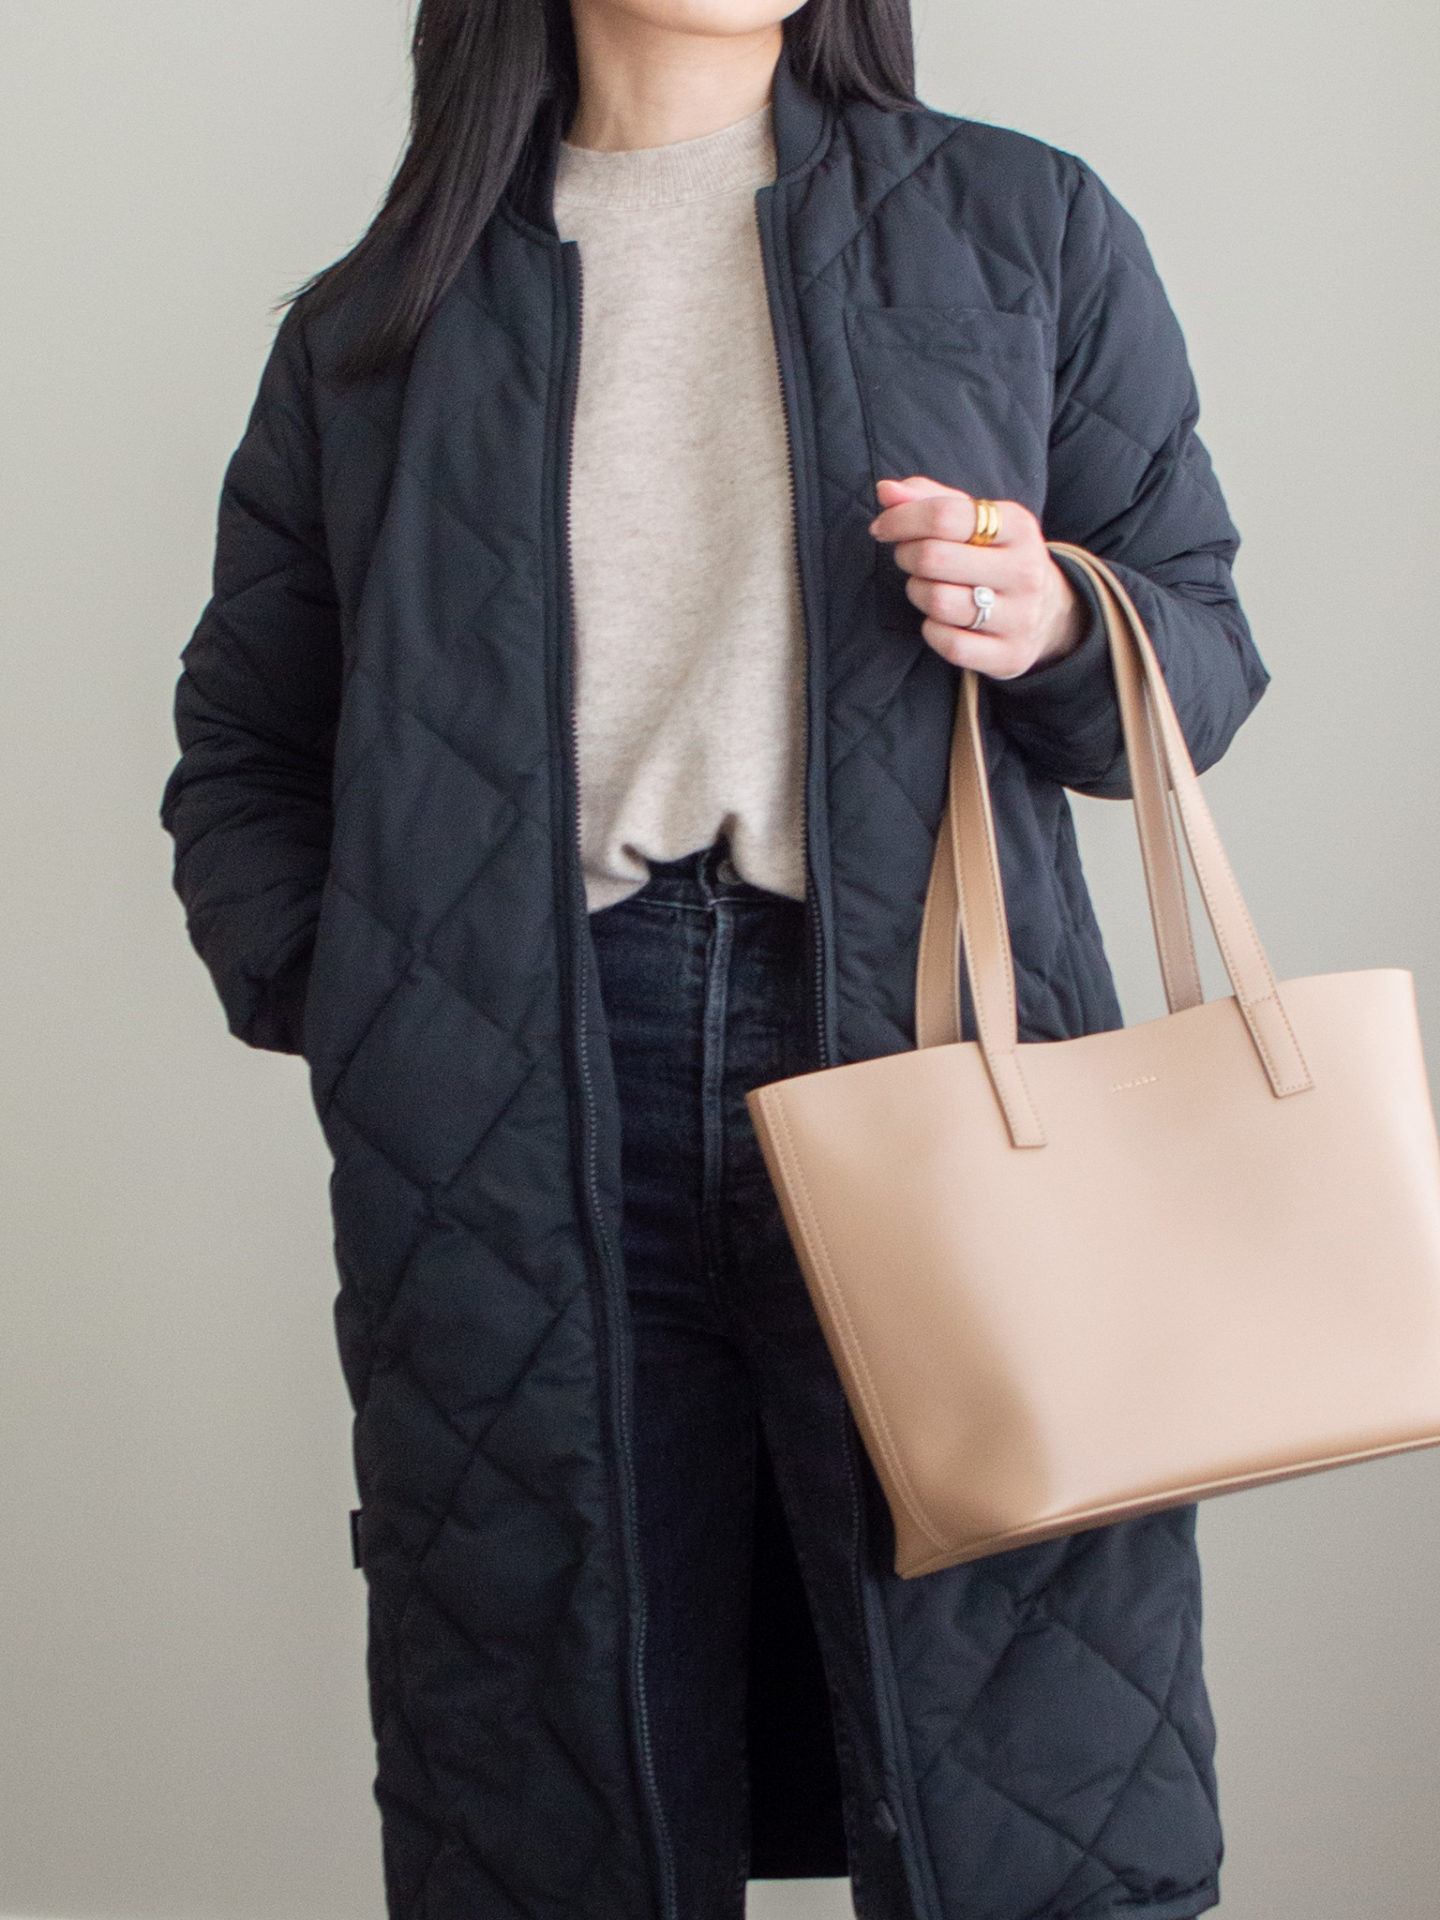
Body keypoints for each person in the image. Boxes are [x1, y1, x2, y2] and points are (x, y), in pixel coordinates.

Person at [159, 2, 1267, 1916]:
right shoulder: (380, 318)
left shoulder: (1016, 225)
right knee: (561, 1767)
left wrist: (1054, 619)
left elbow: (1202, 651)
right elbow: (246, 752)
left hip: (925, 1053)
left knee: (1015, 1765)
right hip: (525, 1087)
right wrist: (367, 1010)